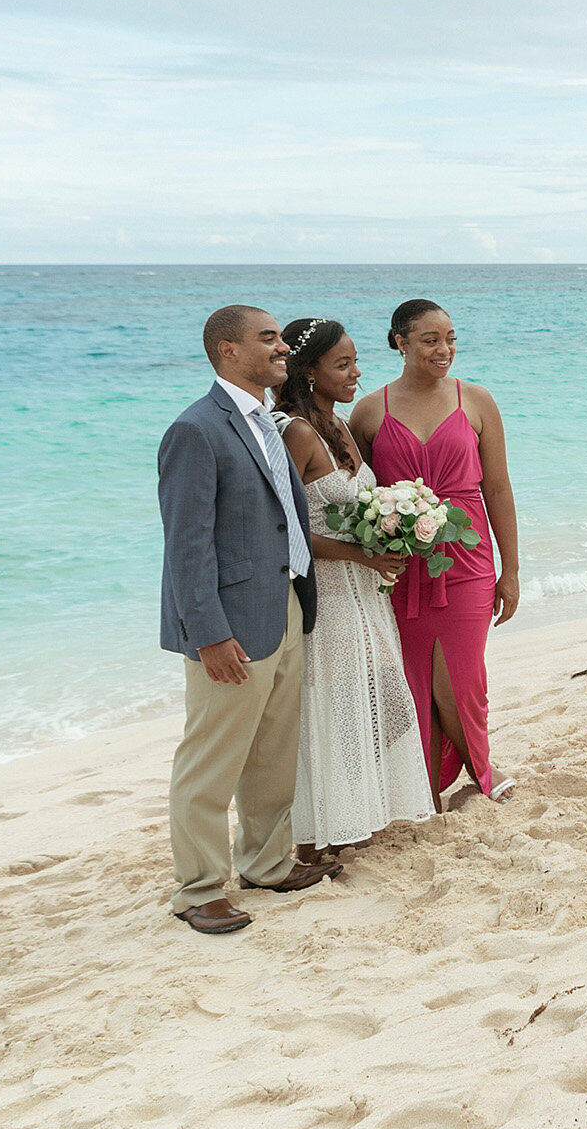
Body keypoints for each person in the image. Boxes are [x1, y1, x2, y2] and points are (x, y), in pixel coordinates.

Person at [157, 305, 335, 934]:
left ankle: (264, 862)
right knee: (212, 757)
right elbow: (186, 544)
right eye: (268, 338)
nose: (282, 346)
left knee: (272, 748)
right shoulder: (196, 430)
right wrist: (208, 634)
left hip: (284, 603)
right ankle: (200, 888)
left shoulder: (267, 422)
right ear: (228, 351)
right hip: (228, 621)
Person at [275, 318, 435, 862]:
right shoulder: (295, 431)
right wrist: (358, 553)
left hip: (365, 590)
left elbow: (360, 504)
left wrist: (392, 533)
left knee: (382, 701)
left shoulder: (338, 424)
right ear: (307, 371)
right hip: (330, 591)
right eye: (342, 364)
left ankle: (357, 813)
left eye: (355, 361)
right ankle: (318, 834)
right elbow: (284, 529)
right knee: (336, 707)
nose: (356, 372)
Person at [351, 300, 521, 808]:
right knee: (413, 683)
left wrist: (510, 571)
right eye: (429, 340)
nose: (444, 349)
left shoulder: (477, 400)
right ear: (399, 343)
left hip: (467, 560)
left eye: (450, 338)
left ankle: (479, 768)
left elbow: (499, 490)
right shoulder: (369, 411)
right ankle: (422, 783)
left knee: (461, 680)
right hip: (401, 567)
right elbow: (355, 493)